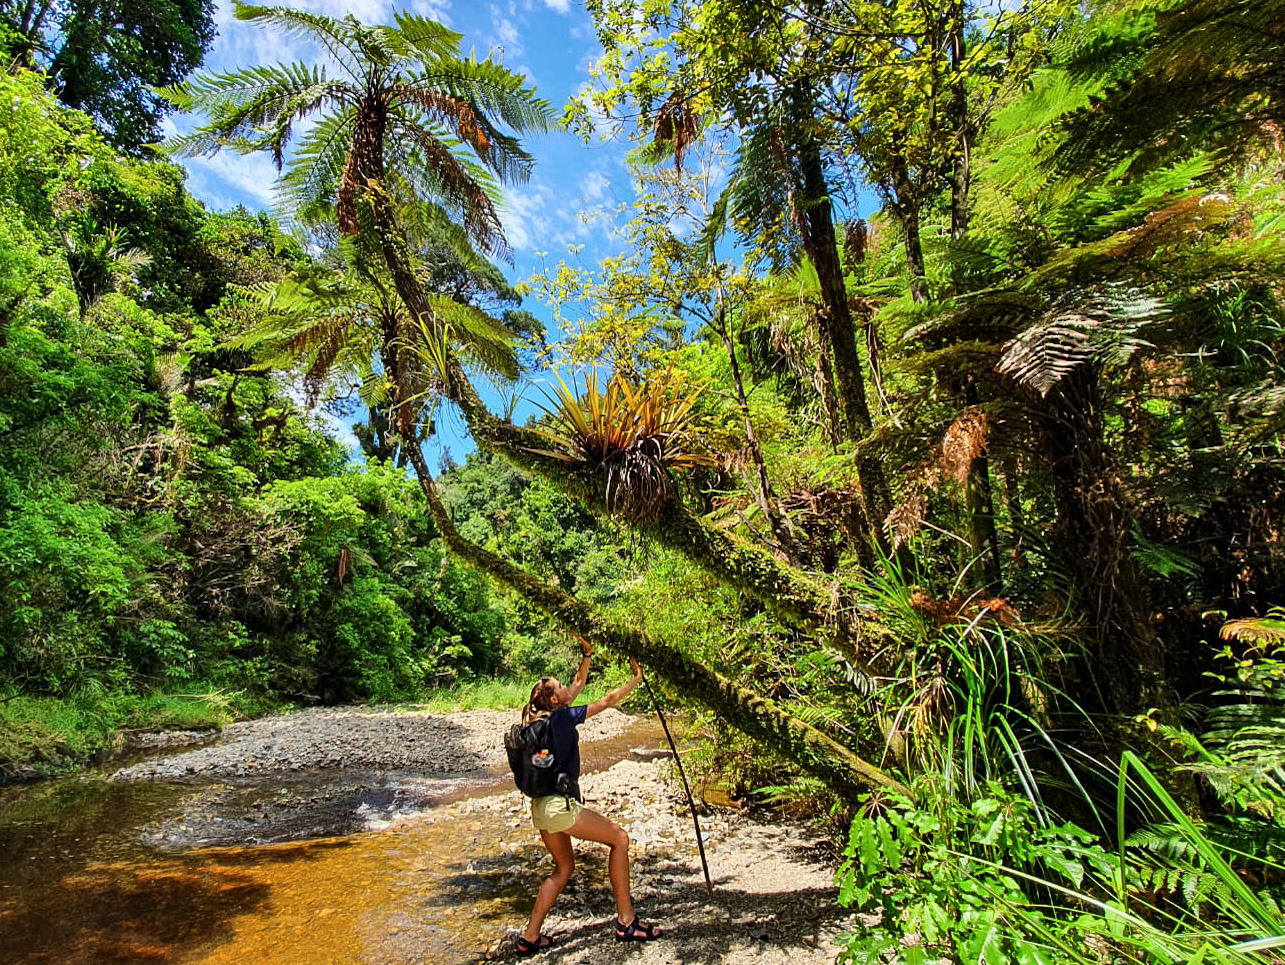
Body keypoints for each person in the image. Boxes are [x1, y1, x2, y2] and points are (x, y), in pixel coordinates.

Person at [515, 643, 663, 955]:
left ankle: (529, 937)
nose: (566, 686)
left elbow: (579, 683)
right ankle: (626, 922)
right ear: (555, 699)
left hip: (540, 807)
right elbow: (607, 701)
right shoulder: (562, 718)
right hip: (559, 805)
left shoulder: (536, 722)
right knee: (620, 839)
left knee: (563, 869)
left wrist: (587, 655)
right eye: (560, 686)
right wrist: (636, 679)